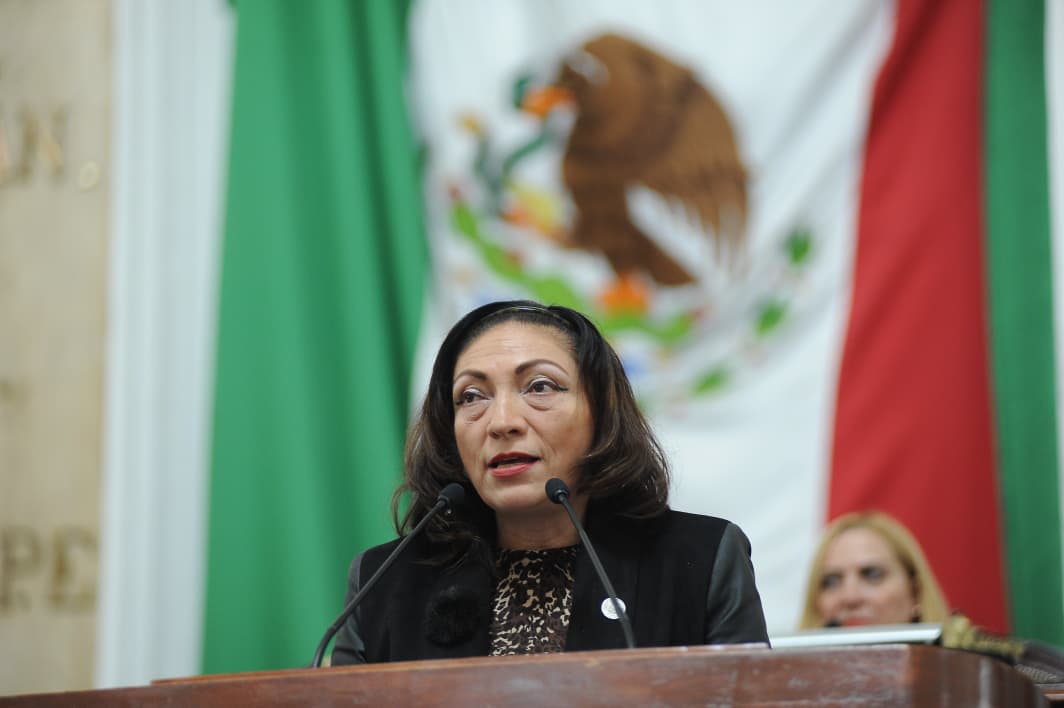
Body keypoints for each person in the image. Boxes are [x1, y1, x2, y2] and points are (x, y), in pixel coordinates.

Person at [331, 300, 768, 664]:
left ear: (600, 416)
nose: (501, 422)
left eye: (539, 387)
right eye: (472, 396)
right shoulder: (384, 583)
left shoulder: (699, 560)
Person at [798, 511, 950, 629]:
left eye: (872, 575)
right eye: (831, 581)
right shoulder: (786, 669)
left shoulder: (963, 668)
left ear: (915, 593)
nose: (851, 597)